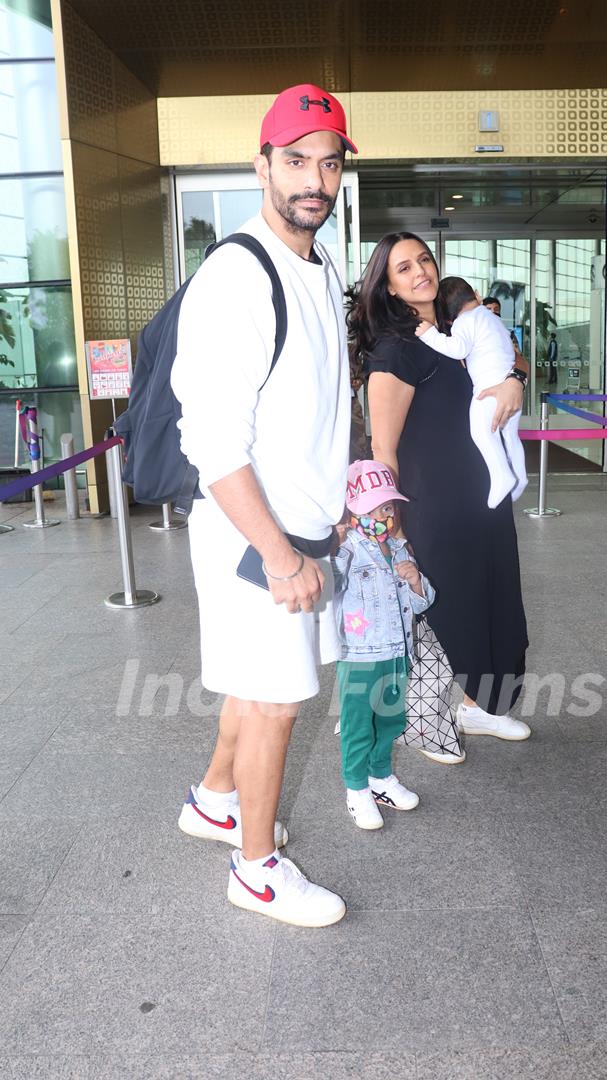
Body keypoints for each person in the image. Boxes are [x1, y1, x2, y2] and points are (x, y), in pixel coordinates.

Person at [171, 84, 358, 928]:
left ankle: (216, 800)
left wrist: (338, 500)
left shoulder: (316, 266)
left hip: (302, 527)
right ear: (263, 165)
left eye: (328, 162)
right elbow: (213, 442)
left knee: (256, 685)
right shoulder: (236, 274)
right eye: (295, 161)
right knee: (280, 699)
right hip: (260, 539)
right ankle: (256, 869)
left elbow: (312, 405)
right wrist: (281, 557)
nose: (313, 179)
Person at [348, 233, 530, 755]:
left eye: (423, 259)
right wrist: (394, 525)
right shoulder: (396, 349)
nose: (419, 272)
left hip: (484, 499)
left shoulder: (456, 329)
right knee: (444, 612)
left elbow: (502, 366)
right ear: (387, 284)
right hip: (435, 505)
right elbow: (383, 446)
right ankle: (424, 717)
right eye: (403, 268)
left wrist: (515, 378)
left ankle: (481, 708)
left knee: (494, 601)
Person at [333, 459, 434, 829]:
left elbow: (423, 603)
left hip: (396, 652)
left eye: (388, 507)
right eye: (372, 508)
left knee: (390, 721)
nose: (383, 515)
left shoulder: (398, 548)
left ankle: (380, 777)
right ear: (350, 511)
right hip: (360, 655)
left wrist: (416, 581)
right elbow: (329, 588)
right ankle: (356, 788)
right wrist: (335, 544)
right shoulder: (346, 552)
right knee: (359, 724)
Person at [416, 276, 527, 509]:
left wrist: (429, 335)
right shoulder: (492, 318)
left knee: (482, 433)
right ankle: (519, 477)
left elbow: (458, 349)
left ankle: (503, 477)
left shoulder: (463, 322)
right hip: (509, 387)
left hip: (488, 391)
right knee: (510, 437)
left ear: (447, 315)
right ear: (475, 295)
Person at [482, 295, 527, 372]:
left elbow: (518, 355)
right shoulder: (476, 333)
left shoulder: (508, 334)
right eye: (488, 309)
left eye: (496, 309)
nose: (492, 312)